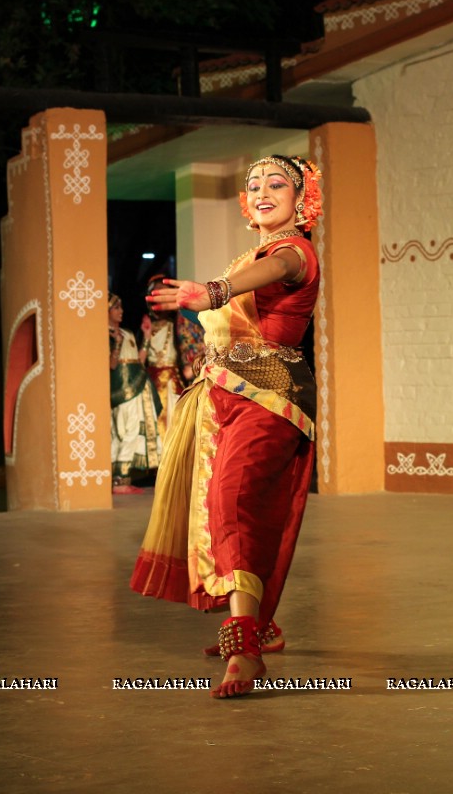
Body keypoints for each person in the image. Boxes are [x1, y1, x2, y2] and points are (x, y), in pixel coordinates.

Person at [129, 154, 323, 698]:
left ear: (300, 198)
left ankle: (246, 651)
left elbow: (276, 272)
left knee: (234, 497)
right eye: (254, 183)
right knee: (222, 505)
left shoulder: (293, 251)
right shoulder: (250, 253)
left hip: (272, 396)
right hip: (224, 395)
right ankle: (258, 623)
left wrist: (211, 292)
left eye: (277, 183)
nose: (262, 191)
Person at [108, 293, 162, 494]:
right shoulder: (104, 333)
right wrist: (117, 343)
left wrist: (146, 337)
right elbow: (111, 365)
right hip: (121, 389)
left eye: (121, 308)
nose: (121, 312)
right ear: (107, 311)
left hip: (136, 385)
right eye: (116, 308)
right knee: (120, 431)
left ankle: (121, 478)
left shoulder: (127, 332)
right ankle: (118, 479)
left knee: (131, 430)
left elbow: (139, 361)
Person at [140, 274, 183, 434]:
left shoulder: (179, 325)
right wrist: (146, 335)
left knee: (173, 425)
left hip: (172, 383)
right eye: (157, 295)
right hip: (151, 383)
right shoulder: (146, 328)